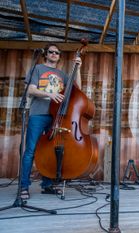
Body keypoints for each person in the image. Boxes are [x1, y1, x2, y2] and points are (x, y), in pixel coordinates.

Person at [20, 43, 82, 199]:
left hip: (56, 118)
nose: (54, 54)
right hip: (38, 114)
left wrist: (78, 69)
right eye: (51, 52)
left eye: (57, 52)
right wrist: (51, 95)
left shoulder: (62, 74)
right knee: (30, 150)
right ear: (45, 54)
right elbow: (30, 90)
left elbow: (78, 89)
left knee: (50, 151)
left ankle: (47, 185)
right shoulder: (38, 69)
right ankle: (23, 186)